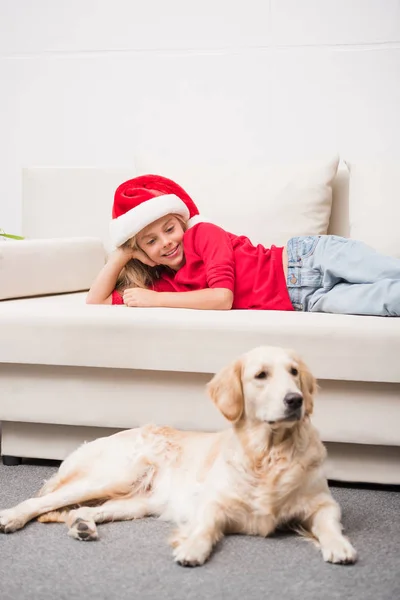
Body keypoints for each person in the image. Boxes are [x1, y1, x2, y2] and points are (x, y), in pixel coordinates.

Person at [86, 175, 400, 317]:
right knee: (389, 302)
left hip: (308, 259)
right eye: (151, 241)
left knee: (390, 271)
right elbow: (95, 302)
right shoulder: (168, 286)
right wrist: (124, 252)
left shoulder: (204, 234)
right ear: (143, 254)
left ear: (182, 222)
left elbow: (223, 298)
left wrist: (153, 301)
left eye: (169, 229)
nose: (166, 242)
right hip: (308, 301)